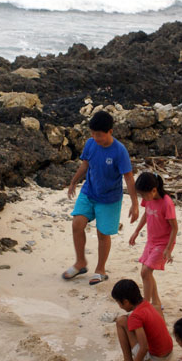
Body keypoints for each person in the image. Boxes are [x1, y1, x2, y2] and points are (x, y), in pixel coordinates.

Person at [62, 110, 139, 285]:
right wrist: (74, 182)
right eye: (93, 134)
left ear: (110, 131)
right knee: (77, 224)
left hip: (110, 199)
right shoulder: (90, 144)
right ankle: (80, 262)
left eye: (99, 135)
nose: (95, 138)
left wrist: (135, 204)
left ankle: (100, 270)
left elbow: (129, 177)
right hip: (89, 192)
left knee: (102, 234)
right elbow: (85, 164)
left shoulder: (119, 151)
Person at [106, 279, 173, 361]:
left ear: (126, 302)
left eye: (119, 303)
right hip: (168, 355)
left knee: (121, 321)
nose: (119, 306)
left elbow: (144, 347)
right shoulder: (146, 304)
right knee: (127, 320)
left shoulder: (135, 316)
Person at [129, 171, 177, 314]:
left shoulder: (167, 203)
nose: (143, 198)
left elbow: (175, 228)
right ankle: (156, 302)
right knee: (145, 273)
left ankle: (146, 304)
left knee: (146, 271)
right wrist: (136, 231)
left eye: (143, 195)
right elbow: (146, 213)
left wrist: (168, 249)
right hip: (151, 240)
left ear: (154, 190)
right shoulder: (148, 199)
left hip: (163, 243)